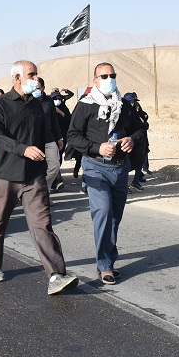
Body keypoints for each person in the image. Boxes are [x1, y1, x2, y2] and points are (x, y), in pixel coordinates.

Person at [0, 60, 78, 296]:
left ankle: (56, 275)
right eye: (32, 75)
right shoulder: (0, 104)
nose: (36, 79)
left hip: (34, 176)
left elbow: (45, 132)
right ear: (18, 78)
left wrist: (54, 147)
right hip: (7, 174)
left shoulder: (38, 105)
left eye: (36, 75)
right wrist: (23, 149)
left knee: (42, 225)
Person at [68, 64, 148, 285]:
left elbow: (141, 129)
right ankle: (104, 265)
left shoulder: (124, 105)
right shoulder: (85, 105)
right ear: (95, 80)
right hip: (95, 167)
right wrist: (97, 148)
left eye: (112, 75)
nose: (109, 79)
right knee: (103, 211)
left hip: (120, 168)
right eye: (104, 76)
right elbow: (73, 136)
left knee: (114, 216)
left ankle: (109, 261)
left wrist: (132, 139)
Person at [33, 77, 64, 192]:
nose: (35, 90)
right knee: (35, 170)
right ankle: (40, 195)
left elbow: (54, 120)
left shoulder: (49, 101)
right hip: (33, 141)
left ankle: (42, 189)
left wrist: (59, 138)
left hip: (49, 139)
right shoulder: (27, 100)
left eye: (37, 88)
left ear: (43, 88)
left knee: (54, 166)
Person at [123, 92, 150, 191]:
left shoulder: (137, 110)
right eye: (130, 101)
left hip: (138, 141)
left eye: (133, 101)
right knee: (125, 164)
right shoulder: (121, 112)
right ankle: (124, 185)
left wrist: (143, 121)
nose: (132, 103)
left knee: (140, 160)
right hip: (125, 142)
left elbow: (144, 125)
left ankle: (135, 181)